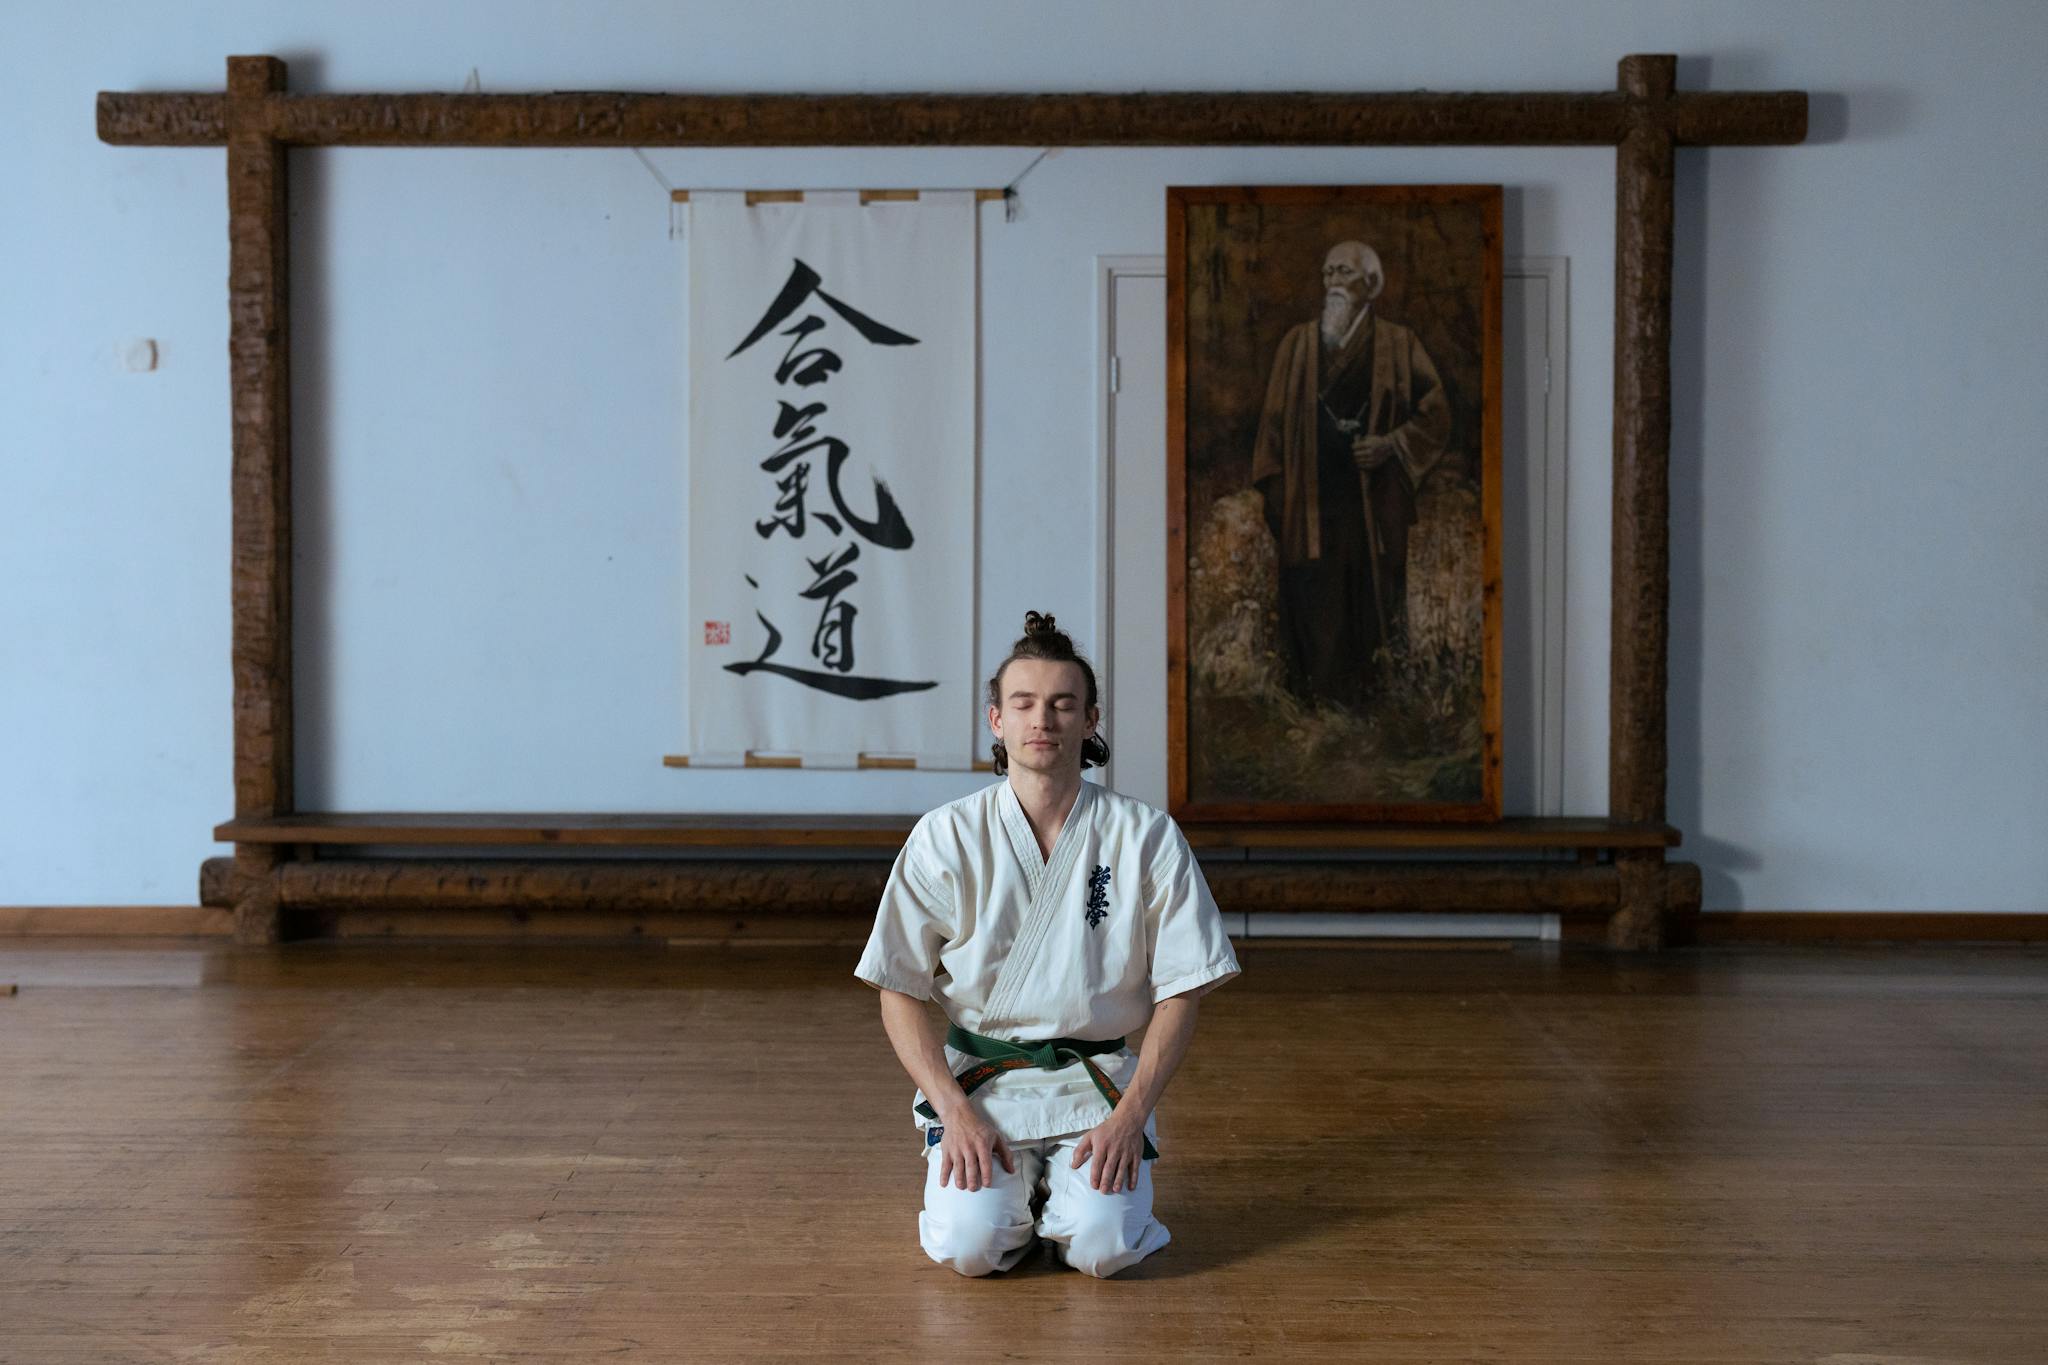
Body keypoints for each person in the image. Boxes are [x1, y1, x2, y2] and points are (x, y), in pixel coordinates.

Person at [855, 611, 1241, 1278]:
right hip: (982, 1088)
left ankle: (1064, 1203)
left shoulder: (1144, 836)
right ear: (996, 720)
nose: (1044, 719)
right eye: (1024, 703)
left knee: (1105, 1246)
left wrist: (1133, 1112)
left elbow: (1184, 986)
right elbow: (898, 986)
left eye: (1064, 704)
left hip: (1097, 1087)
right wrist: (953, 1109)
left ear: (1091, 719)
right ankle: (1024, 1201)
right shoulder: (946, 835)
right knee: (969, 1248)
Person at [1250, 240, 1451, 710]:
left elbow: (1437, 412)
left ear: (1372, 284)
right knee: (1312, 596)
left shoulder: (1400, 344)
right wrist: (1279, 494)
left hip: (1374, 500)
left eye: (1344, 272)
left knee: (1373, 597)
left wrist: (1392, 444)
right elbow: (1272, 430)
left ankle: (1377, 710)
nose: (1333, 282)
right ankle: (1312, 709)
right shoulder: (1297, 345)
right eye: (1328, 273)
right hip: (1311, 498)